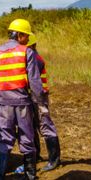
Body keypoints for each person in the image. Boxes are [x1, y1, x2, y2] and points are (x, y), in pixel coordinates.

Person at [0, 19, 45, 179]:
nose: (27, 40)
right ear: (20, 35)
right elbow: (35, 82)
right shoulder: (26, 52)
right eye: (26, 36)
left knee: (3, 139)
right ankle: (30, 175)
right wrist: (40, 103)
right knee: (27, 138)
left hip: (3, 103)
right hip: (23, 103)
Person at [28, 34, 61, 172]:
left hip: (38, 97)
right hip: (33, 96)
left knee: (45, 125)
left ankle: (54, 160)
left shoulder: (33, 58)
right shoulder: (32, 56)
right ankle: (37, 156)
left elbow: (34, 82)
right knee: (31, 125)